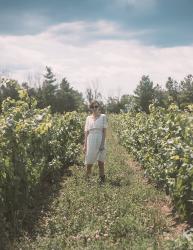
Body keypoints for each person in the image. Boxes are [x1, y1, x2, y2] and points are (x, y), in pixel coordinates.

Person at [83, 100, 108, 183]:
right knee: (89, 161)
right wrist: (85, 145)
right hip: (91, 139)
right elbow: (86, 132)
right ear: (90, 108)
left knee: (101, 162)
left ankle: (102, 179)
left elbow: (104, 131)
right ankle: (88, 180)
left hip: (100, 138)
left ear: (99, 107)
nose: (94, 108)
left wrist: (102, 144)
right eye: (92, 107)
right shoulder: (88, 118)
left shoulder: (103, 117)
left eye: (96, 106)